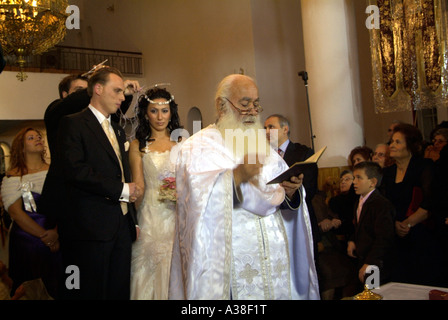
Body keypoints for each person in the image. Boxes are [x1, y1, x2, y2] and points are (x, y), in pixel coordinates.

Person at [169, 74, 319, 300]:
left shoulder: (265, 148)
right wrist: (235, 178)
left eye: (256, 104)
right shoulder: (195, 148)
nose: (252, 111)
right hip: (229, 267)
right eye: (245, 104)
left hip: (275, 263)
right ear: (221, 106)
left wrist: (291, 191)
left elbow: (280, 197)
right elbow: (194, 206)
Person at [56, 67, 140, 300]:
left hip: (121, 227)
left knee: (120, 291)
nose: (123, 98)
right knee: (92, 292)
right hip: (91, 228)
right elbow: (75, 171)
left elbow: (123, 174)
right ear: (98, 89)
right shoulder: (73, 123)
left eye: (123, 92)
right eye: (117, 91)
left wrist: (131, 220)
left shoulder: (118, 130)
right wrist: (121, 190)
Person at [40, 69, 140, 229]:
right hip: (76, 208)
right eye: (81, 91)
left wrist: (122, 94)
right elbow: (77, 171)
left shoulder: (109, 127)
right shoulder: (58, 113)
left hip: (113, 214)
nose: (86, 95)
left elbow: (114, 113)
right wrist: (98, 83)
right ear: (65, 95)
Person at [129, 86, 183, 300]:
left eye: (165, 110)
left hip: (177, 215)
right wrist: (130, 220)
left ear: (171, 112)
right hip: (149, 215)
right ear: (145, 113)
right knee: (148, 272)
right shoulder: (137, 145)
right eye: (154, 111)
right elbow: (138, 185)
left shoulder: (182, 142)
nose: (160, 117)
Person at [0, 128, 62, 298]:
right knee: (31, 287)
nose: (38, 139)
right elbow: (16, 213)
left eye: (39, 137)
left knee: (62, 283)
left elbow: (66, 206)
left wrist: (56, 233)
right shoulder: (13, 177)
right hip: (28, 240)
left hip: (58, 235)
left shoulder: (56, 172)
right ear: (21, 147)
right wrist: (45, 237)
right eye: (31, 137)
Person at [381, 123, 443, 286]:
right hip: (396, 236)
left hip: (421, 232)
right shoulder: (387, 173)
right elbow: (384, 205)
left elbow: (431, 201)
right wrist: (395, 224)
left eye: (397, 142)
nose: (391, 145)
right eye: (391, 142)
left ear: (410, 145)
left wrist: (407, 224)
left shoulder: (424, 166)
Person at [264, 114, 320, 258]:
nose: (267, 131)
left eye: (271, 127)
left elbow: (310, 188)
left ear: (285, 129)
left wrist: (292, 192)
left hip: (299, 216)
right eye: (265, 128)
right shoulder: (262, 156)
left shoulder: (303, 152)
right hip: (274, 219)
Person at [347, 161, 395, 289]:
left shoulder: (381, 204)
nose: (354, 182)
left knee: (375, 293)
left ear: (372, 182)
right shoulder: (359, 201)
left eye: (359, 178)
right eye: (354, 177)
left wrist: (370, 262)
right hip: (362, 259)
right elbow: (360, 226)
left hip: (376, 263)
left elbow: (384, 238)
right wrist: (352, 240)